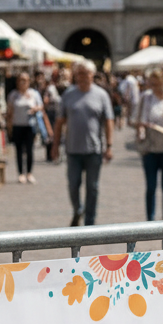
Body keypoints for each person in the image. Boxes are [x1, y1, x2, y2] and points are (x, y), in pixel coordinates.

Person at [53, 58, 113, 227]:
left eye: (85, 73)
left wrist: (109, 146)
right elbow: (59, 122)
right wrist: (55, 145)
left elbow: (108, 121)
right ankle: (78, 209)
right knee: (73, 185)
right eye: (79, 73)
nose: (82, 77)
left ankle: (90, 221)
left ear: (92, 75)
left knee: (92, 187)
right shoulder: (68, 95)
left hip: (94, 149)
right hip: (73, 149)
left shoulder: (101, 95)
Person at [135, 67, 163, 221]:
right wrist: (141, 130)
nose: (153, 87)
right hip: (150, 148)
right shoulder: (146, 97)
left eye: (156, 84)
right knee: (151, 186)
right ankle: (150, 219)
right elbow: (139, 119)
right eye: (151, 84)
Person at [6, 71, 43, 184]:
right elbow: (10, 111)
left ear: (29, 82)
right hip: (17, 125)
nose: (23, 83)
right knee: (19, 150)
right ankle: (21, 173)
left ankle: (29, 173)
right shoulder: (13, 95)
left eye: (25, 80)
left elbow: (41, 106)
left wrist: (35, 109)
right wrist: (9, 126)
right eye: (21, 80)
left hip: (30, 125)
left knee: (30, 150)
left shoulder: (34, 94)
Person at [35, 70, 60, 163]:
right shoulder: (45, 88)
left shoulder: (49, 88)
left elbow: (47, 100)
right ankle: (51, 154)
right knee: (49, 133)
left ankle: (52, 154)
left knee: (51, 133)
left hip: (51, 112)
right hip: (48, 112)